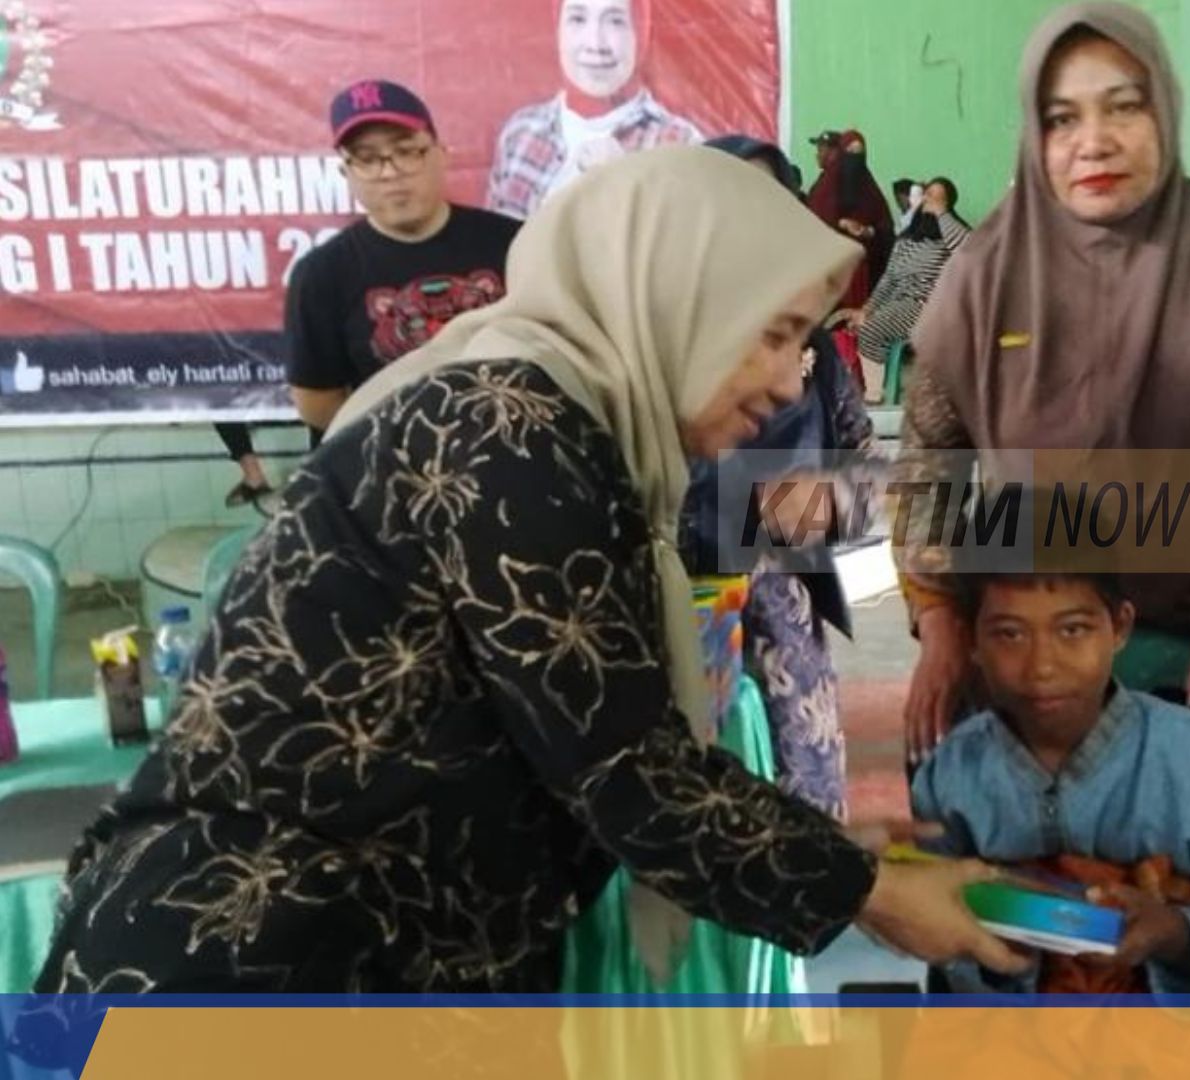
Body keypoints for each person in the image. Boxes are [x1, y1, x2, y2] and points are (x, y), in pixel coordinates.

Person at [33, 149, 1025, 997]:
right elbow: (625, 766)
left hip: (362, 963)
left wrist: (838, 861)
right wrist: (869, 894)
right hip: (251, 971)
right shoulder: (508, 433)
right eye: (770, 333)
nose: (784, 382)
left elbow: (573, 745)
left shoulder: (561, 424)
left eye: (804, 344)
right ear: (668, 299)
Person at [894, 3, 1190, 990]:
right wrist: (940, 620)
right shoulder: (983, 272)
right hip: (1024, 664)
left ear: (1167, 114)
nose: (1094, 141)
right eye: (1062, 118)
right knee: (1019, 950)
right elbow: (931, 452)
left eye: (1124, 107)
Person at [912, 570, 1190, 995]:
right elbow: (941, 937)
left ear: (1119, 626)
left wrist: (1174, 933)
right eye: (1010, 634)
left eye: (1072, 630)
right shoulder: (950, 777)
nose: (1042, 667)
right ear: (970, 640)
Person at [681, 134, 882, 820]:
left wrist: (820, 503)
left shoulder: (812, 344)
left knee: (803, 807)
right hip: (673, 615)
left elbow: (867, 467)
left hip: (785, 618)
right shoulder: (652, 342)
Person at [286, 80, 520, 434]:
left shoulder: (515, 243)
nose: (390, 172)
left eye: (407, 151)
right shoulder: (321, 274)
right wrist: (401, 443)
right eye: (366, 159)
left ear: (442, 154)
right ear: (346, 173)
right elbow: (316, 403)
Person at [486, 0, 703, 220]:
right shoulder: (521, 133)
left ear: (641, 32)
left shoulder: (681, 147)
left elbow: (687, 239)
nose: (595, 44)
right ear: (559, 29)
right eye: (578, 19)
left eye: (615, 21)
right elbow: (492, 239)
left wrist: (627, 190)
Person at [852, 176, 970, 399]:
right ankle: (878, 388)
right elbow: (888, 279)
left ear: (948, 205)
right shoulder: (905, 241)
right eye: (928, 195)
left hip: (929, 308)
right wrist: (868, 308)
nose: (930, 201)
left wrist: (941, 214)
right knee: (860, 325)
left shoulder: (949, 240)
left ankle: (875, 395)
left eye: (938, 197)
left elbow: (968, 252)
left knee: (872, 329)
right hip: (899, 304)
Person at [806, 130, 895, 311]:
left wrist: (868, 231)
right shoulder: (825, 186)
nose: (854, 159)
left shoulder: (869, 190)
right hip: (831, 271)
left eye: (858, 153)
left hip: (864, 272)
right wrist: (840, 223)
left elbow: (885, 228)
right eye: (850, 152)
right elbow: (815, 222)